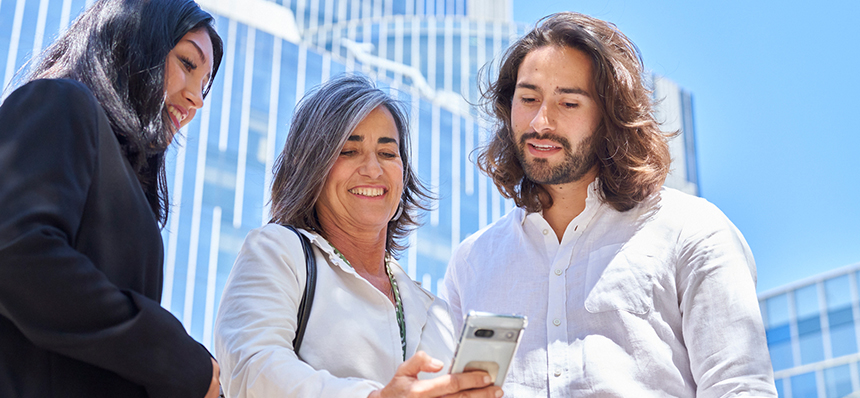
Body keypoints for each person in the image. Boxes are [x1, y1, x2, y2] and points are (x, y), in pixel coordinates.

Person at [441, 12, 777, 398]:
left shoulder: (692, 231)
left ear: (611, 117)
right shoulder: (471, 263)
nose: (540, 121)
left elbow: (739, 388)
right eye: (528, 99)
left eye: (568, 103)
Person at [214, 75, 502, 398]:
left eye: (388, 153)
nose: (373, 169)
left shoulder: (437, 312)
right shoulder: (277, 252)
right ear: (311, 166)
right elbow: (252, 367)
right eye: (349, 151)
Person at [0, 0, 224, 396]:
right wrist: (174, 356)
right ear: (134, 42)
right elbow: (18, 253)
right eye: (188, 64)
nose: (197, 100)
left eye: (204, 84)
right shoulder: (60, 101)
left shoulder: (131, 185)